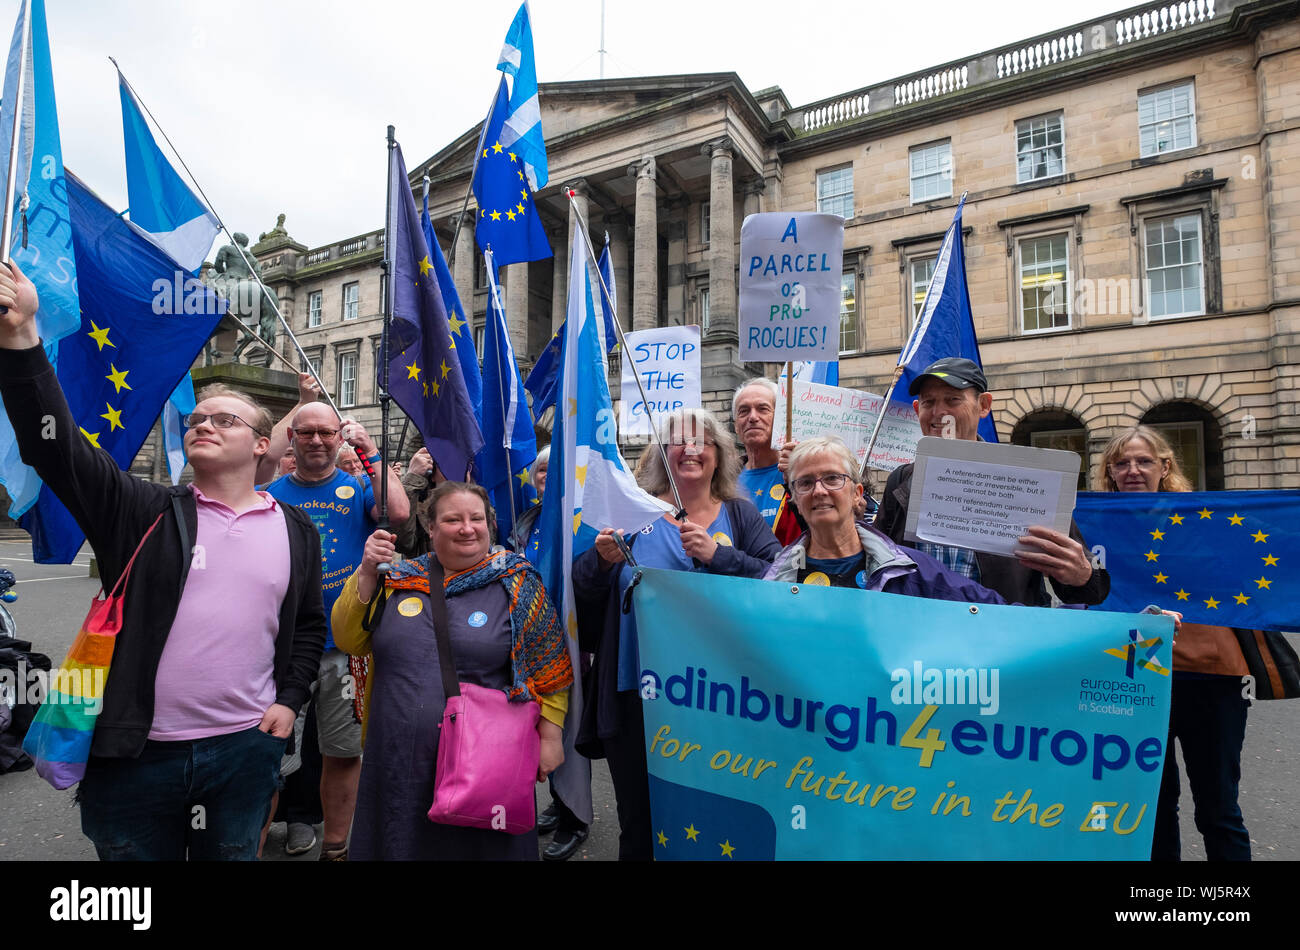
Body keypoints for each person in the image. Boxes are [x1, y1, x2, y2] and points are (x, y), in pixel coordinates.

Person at [0, 262, 325, 860]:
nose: (203, 423)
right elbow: (55, 445)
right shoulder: (141, 508)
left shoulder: (295, 528)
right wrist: (22, 337)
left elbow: (307, 626)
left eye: (224, 419)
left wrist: (290, 699)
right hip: (136, 753)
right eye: (197, 418)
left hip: (243, 749)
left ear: (261, 444)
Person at [572, 408, 781, 860]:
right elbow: (582, 594)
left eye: (702, 440)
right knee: (641, 825)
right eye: (678, 441)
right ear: (661, 455)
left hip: (720, 701)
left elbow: (782, 579)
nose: (690, 448)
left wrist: (720, 557)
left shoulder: (740, 516)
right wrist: (601, 560)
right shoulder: (633, 513)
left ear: (719, 454)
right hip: (637, 700)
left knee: (712, 821)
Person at [331, 482, 572, 860]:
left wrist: (551, 738)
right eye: (452, 519)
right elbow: (348, 639)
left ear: (490, 524)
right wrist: (365, 574)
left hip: (484, 762)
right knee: (399, 844)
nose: (466, 527)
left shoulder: (518, 583)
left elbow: (549, 668)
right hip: (396, 758)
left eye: (476, 518)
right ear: (431, 527)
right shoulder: (394, 577)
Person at [1098, 425, 1279, 862]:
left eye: (1143, 461)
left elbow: (1259, 556)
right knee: (1154, 806)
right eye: (1121, 463)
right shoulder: (1096, 523)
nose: (1133, 470)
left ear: (1165, 466)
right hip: (1138, 674)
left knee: (1218, 807)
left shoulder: (1203, 518)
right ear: (1110, 473)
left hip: (1211, 673)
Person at [264, 402, 409, 860]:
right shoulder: (270, 493)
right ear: (293, 439)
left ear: (338, 437)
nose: (317, 441)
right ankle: (246, 846)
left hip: (346, 646)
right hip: (279, 646)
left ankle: (336, 847)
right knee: (265, 756)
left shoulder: (360, 487)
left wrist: (368, 446)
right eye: (306, 433)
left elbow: (401, 512)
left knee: (343, 752)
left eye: (327, 433)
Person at [873, 357, 1109, 607]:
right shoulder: (901, 481)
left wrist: (1082, 575)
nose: (938, 412)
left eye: (953, 400)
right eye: (929, 402)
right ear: (916, 409)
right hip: (919, 630)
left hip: (1000, 636)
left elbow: (1092, 588)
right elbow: (876, 562)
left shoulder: (1028, 479)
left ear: (983, 405)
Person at [766, 437, 1017, 604]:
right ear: (795, 499)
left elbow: (993, 611)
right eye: (806, 483)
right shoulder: (775, 579)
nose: (819, 491)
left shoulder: (912, 570)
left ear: (857, 494)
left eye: (832, 478)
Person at [506, 446, 589, 860]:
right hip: (532, 640)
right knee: (540, 726)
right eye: (542, 470)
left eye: (555, 471)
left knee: (569, 731)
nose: (547, 476)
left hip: (573, 641)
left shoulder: (584, 521)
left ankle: (577, 816)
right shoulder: (529, 519)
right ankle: (558, 802)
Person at [733, 378, 803, 544]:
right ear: (736, 425)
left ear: (780, 418)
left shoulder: (802, 473)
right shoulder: (722, 479)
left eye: (762, 409)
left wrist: (798, 478)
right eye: (743, 411)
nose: (753, 417)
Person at [395, 447, 443, 558]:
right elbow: (403, 543)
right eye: (446, 465)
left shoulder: (479, 501)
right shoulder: (419, 503)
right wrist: (412, 479)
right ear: (433, 474)